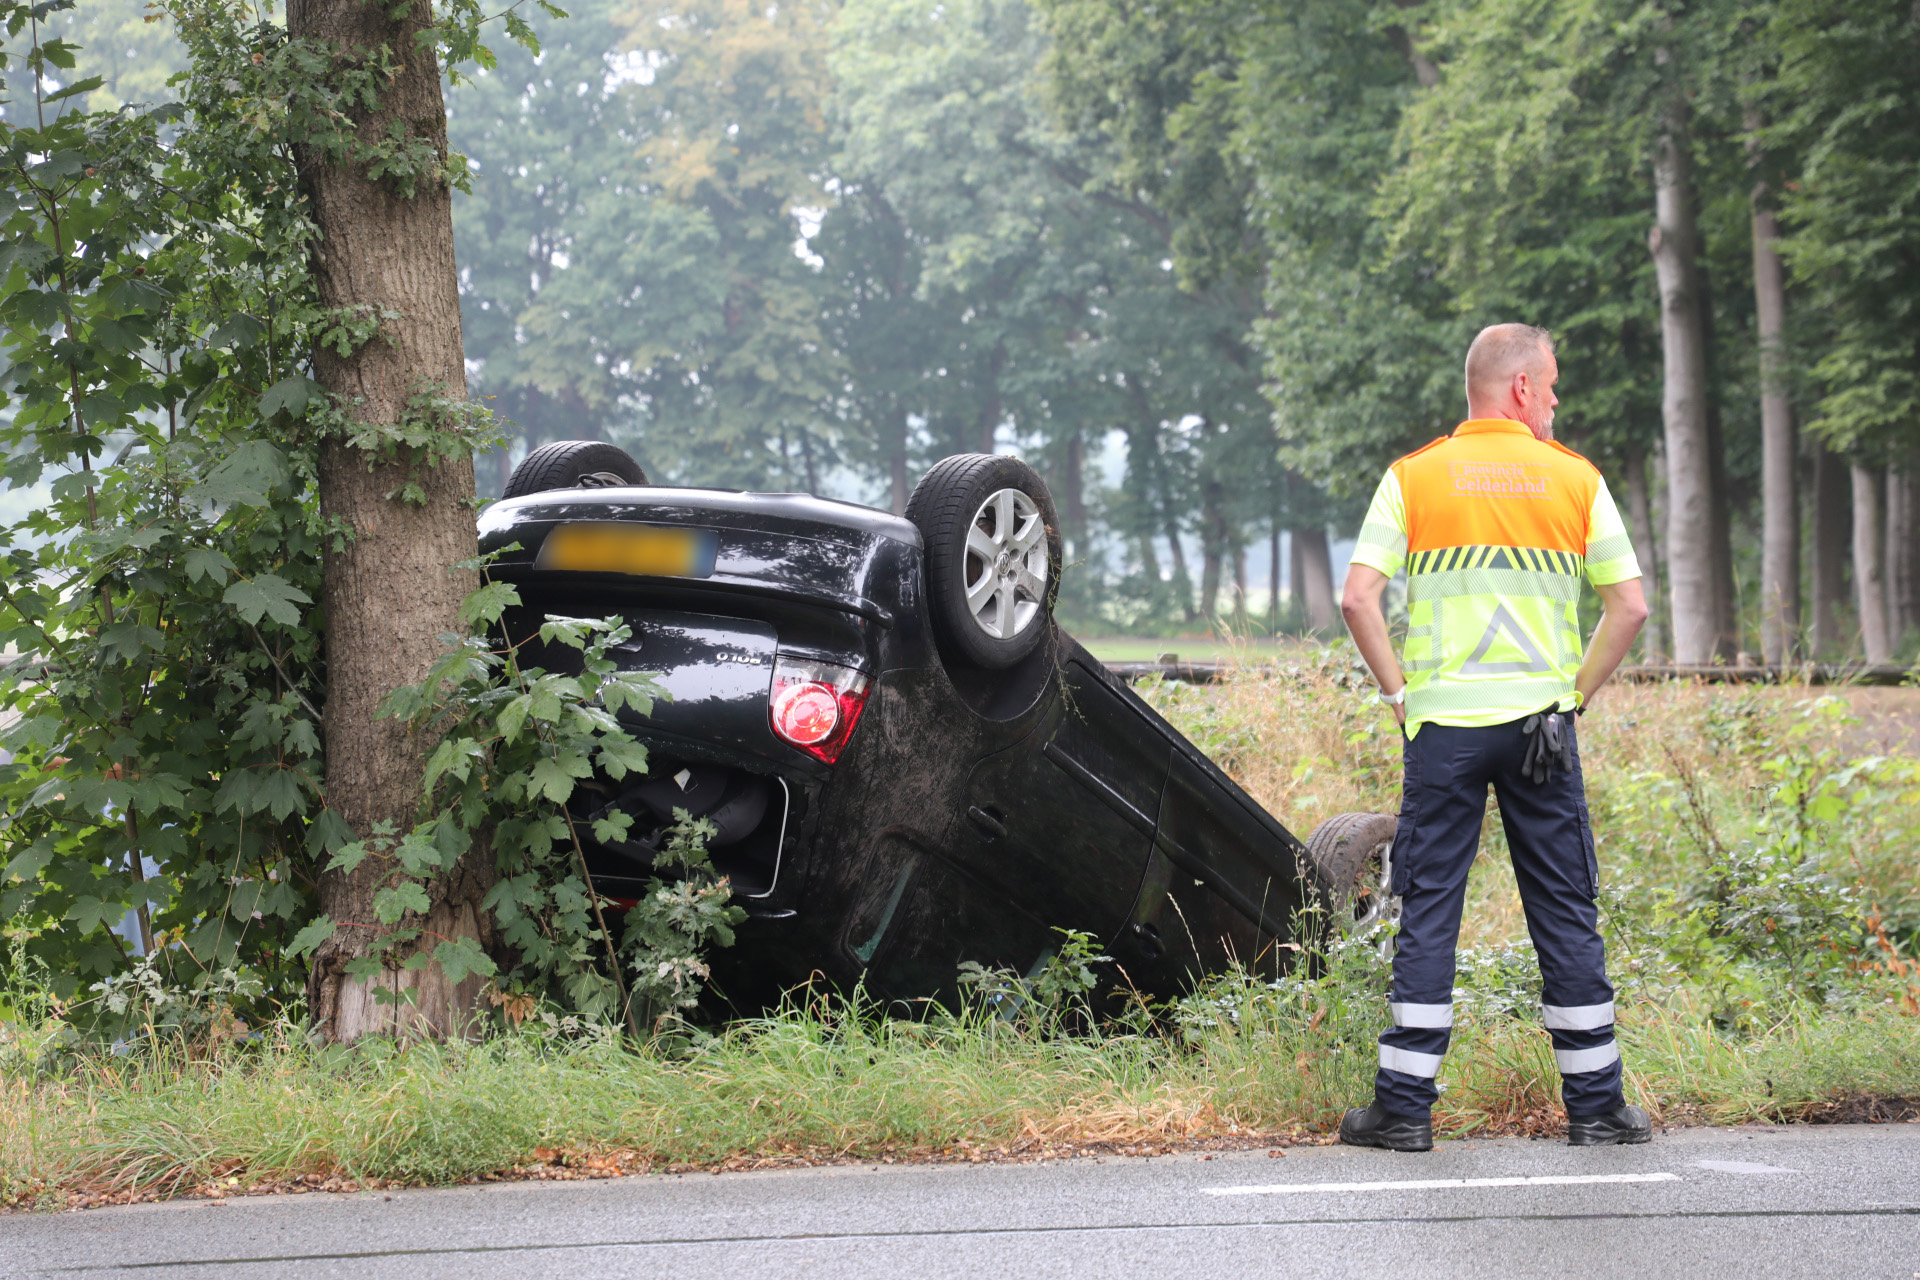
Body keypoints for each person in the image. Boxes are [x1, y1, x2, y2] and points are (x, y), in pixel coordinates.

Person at [1337, 323, 1652, 1152]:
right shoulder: (1576, 479)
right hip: (1541, 728)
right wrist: (1572, 697)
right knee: (1563, 906)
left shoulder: (1413, 477)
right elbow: (1630, 608)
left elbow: (1358, 599)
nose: (1555, 398)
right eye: (1549, 384)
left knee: (1430, 906)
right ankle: (1596, 1109)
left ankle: (1403, 1111)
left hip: (1444, 728)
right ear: (1519, 388)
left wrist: (1401, 693)